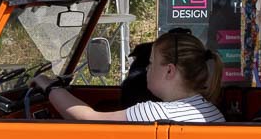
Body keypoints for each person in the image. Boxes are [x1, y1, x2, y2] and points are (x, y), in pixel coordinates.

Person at [35, 31, 225, 123]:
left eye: (151, 63)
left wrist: (48, 85)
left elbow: (87, 118)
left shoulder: (155, 114)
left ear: (169, 71)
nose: (147, 69)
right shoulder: (212, 112)